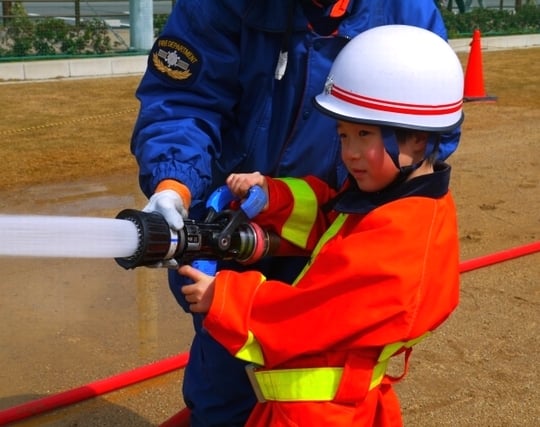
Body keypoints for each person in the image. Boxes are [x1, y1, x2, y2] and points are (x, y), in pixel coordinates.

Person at [130, 1, 460, 425]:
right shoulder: (385, 210)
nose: (351, 151)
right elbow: (182, 99)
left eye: (363, 135)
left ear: (417, 140)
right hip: (248, 281)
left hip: (314, 406)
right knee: (221, 391)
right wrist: (178, 186)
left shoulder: (396, 240)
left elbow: (317, 315)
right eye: (342, 135)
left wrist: (225, 299)